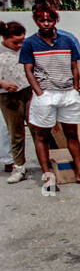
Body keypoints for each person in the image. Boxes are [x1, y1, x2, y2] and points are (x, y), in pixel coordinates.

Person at [20, 4, 80, 186]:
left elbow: (75, 65)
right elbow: (29, 70)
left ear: (56, 20)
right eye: (42, 20)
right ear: (36, 21)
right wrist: (39, 93)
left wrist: (77, 85)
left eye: (50, 19)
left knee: (72, 133)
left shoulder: (67, 41)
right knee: (42, 135)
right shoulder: (30, 43)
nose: (46, 23)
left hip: (67, 93)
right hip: (46, 94)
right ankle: (48, 176)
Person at [0, 21, 31, 184]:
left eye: (22, 41)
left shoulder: (25, 49)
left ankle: (48, 163)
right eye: (15, 42)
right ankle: (18, 166)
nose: (19, 45)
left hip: (28, 91)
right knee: (16, 132)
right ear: (4, 38)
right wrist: (2, 83)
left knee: (37, 128)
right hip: (8, 96)